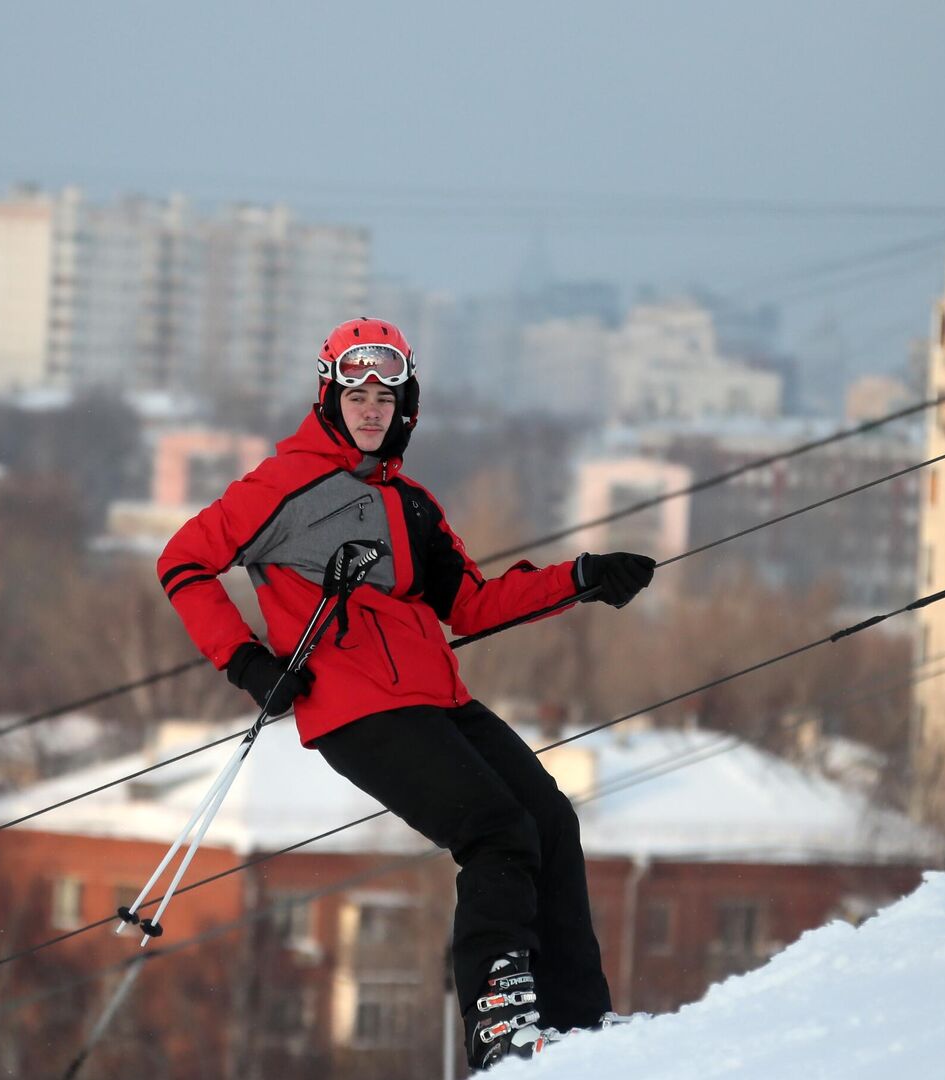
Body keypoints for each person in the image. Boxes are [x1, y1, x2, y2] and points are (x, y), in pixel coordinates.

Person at [157, 318, 655, 1070]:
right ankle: (500, 1026)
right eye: (353, 393)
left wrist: (581, 578)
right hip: (356, 708)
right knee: (495, 831)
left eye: (383, 397)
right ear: (328, 397)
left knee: (549, 820)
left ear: (405, 406)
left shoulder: (413, 502)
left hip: (438, 698)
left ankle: (579, 1024)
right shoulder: (284, 483)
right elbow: (184, 561)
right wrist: (250, 662)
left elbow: (474, 605)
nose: (368, 409)